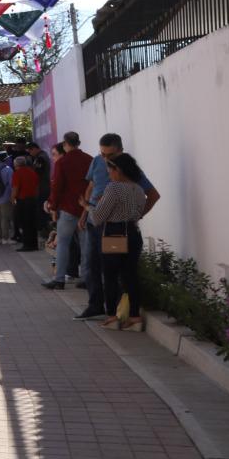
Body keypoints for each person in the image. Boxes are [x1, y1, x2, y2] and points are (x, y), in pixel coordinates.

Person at [76, 133, 161, 320]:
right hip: (114, 228)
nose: (106, 160)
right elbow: (91, 187)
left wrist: (88, 207)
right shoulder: (99, 164)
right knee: (94, 266)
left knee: (111, 272)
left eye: (110, 156)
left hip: (111, 229)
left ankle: (113, 314)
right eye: (102, 154)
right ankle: (102, 307)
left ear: (120, 152)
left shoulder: (122, 179)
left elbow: (153, 195)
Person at [86, 153, 150, 331]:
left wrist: (88, 207)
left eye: (110, 168)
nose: (108, 172)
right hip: (133, 233)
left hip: (115, 234)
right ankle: (135, 317)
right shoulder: (137, 188)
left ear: (118, 170)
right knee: (131, 276)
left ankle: (112, 316)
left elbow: (98, 217)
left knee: (111, 276)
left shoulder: (113, 188)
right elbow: (138, 213)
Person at [43, 132, 92, 290]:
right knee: (86, 245)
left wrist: (53, 206)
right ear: (78, 143)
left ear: (65, 144)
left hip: (67, 207)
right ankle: (86, 278)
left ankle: (59, 279)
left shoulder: (62, 162)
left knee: (63, 243)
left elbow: (57, 186)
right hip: (85, 207)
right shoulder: (89, 159)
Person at [11, 156, 40, 252]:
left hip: (23, 200)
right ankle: (34, 244)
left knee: (24, 223)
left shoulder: (17, 173)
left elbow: (15, 188)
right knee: (32, 222)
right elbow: (36, 186)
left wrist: (12, 198)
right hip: (33, 199)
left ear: (16, 164)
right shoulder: (32, 172)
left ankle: (27, 244)